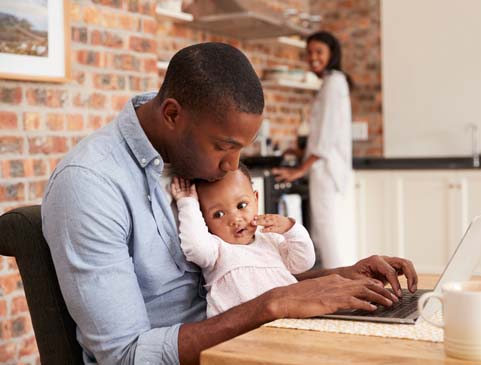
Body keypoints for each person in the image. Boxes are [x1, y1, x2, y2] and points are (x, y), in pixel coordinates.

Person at [42, 42, 417, 365]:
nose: (232, 166)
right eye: (224, 146)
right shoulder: (90, 185)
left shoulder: (189, 159)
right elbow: (125, 355)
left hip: (251, 346)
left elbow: (233, 281)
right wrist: (273, 304)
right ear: (172, 114)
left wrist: (334, 279)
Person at [170, 163, 315, 317]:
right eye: (218, 214)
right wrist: (188, 204)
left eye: (242, 205)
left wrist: (290, 228)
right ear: (203, 220)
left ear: (256, 199)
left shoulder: (271, 239)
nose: (235, 219)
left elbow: (303, 263)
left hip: (289, 319)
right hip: (242, 332)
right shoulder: (217, 249)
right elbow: (195, 246)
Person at [272, 31, 355, 269]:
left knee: (327, 235)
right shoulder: (332, 82)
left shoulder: (333, 83)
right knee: (326, 234)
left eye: (319, 51)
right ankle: (339, 287)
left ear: (332, 53)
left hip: (325, 170)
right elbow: (326, 133)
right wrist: (301, 153)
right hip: (326, 168)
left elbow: (326, 138)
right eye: (309, 52)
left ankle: (339, 291)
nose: (313, 57)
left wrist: (299, 170)